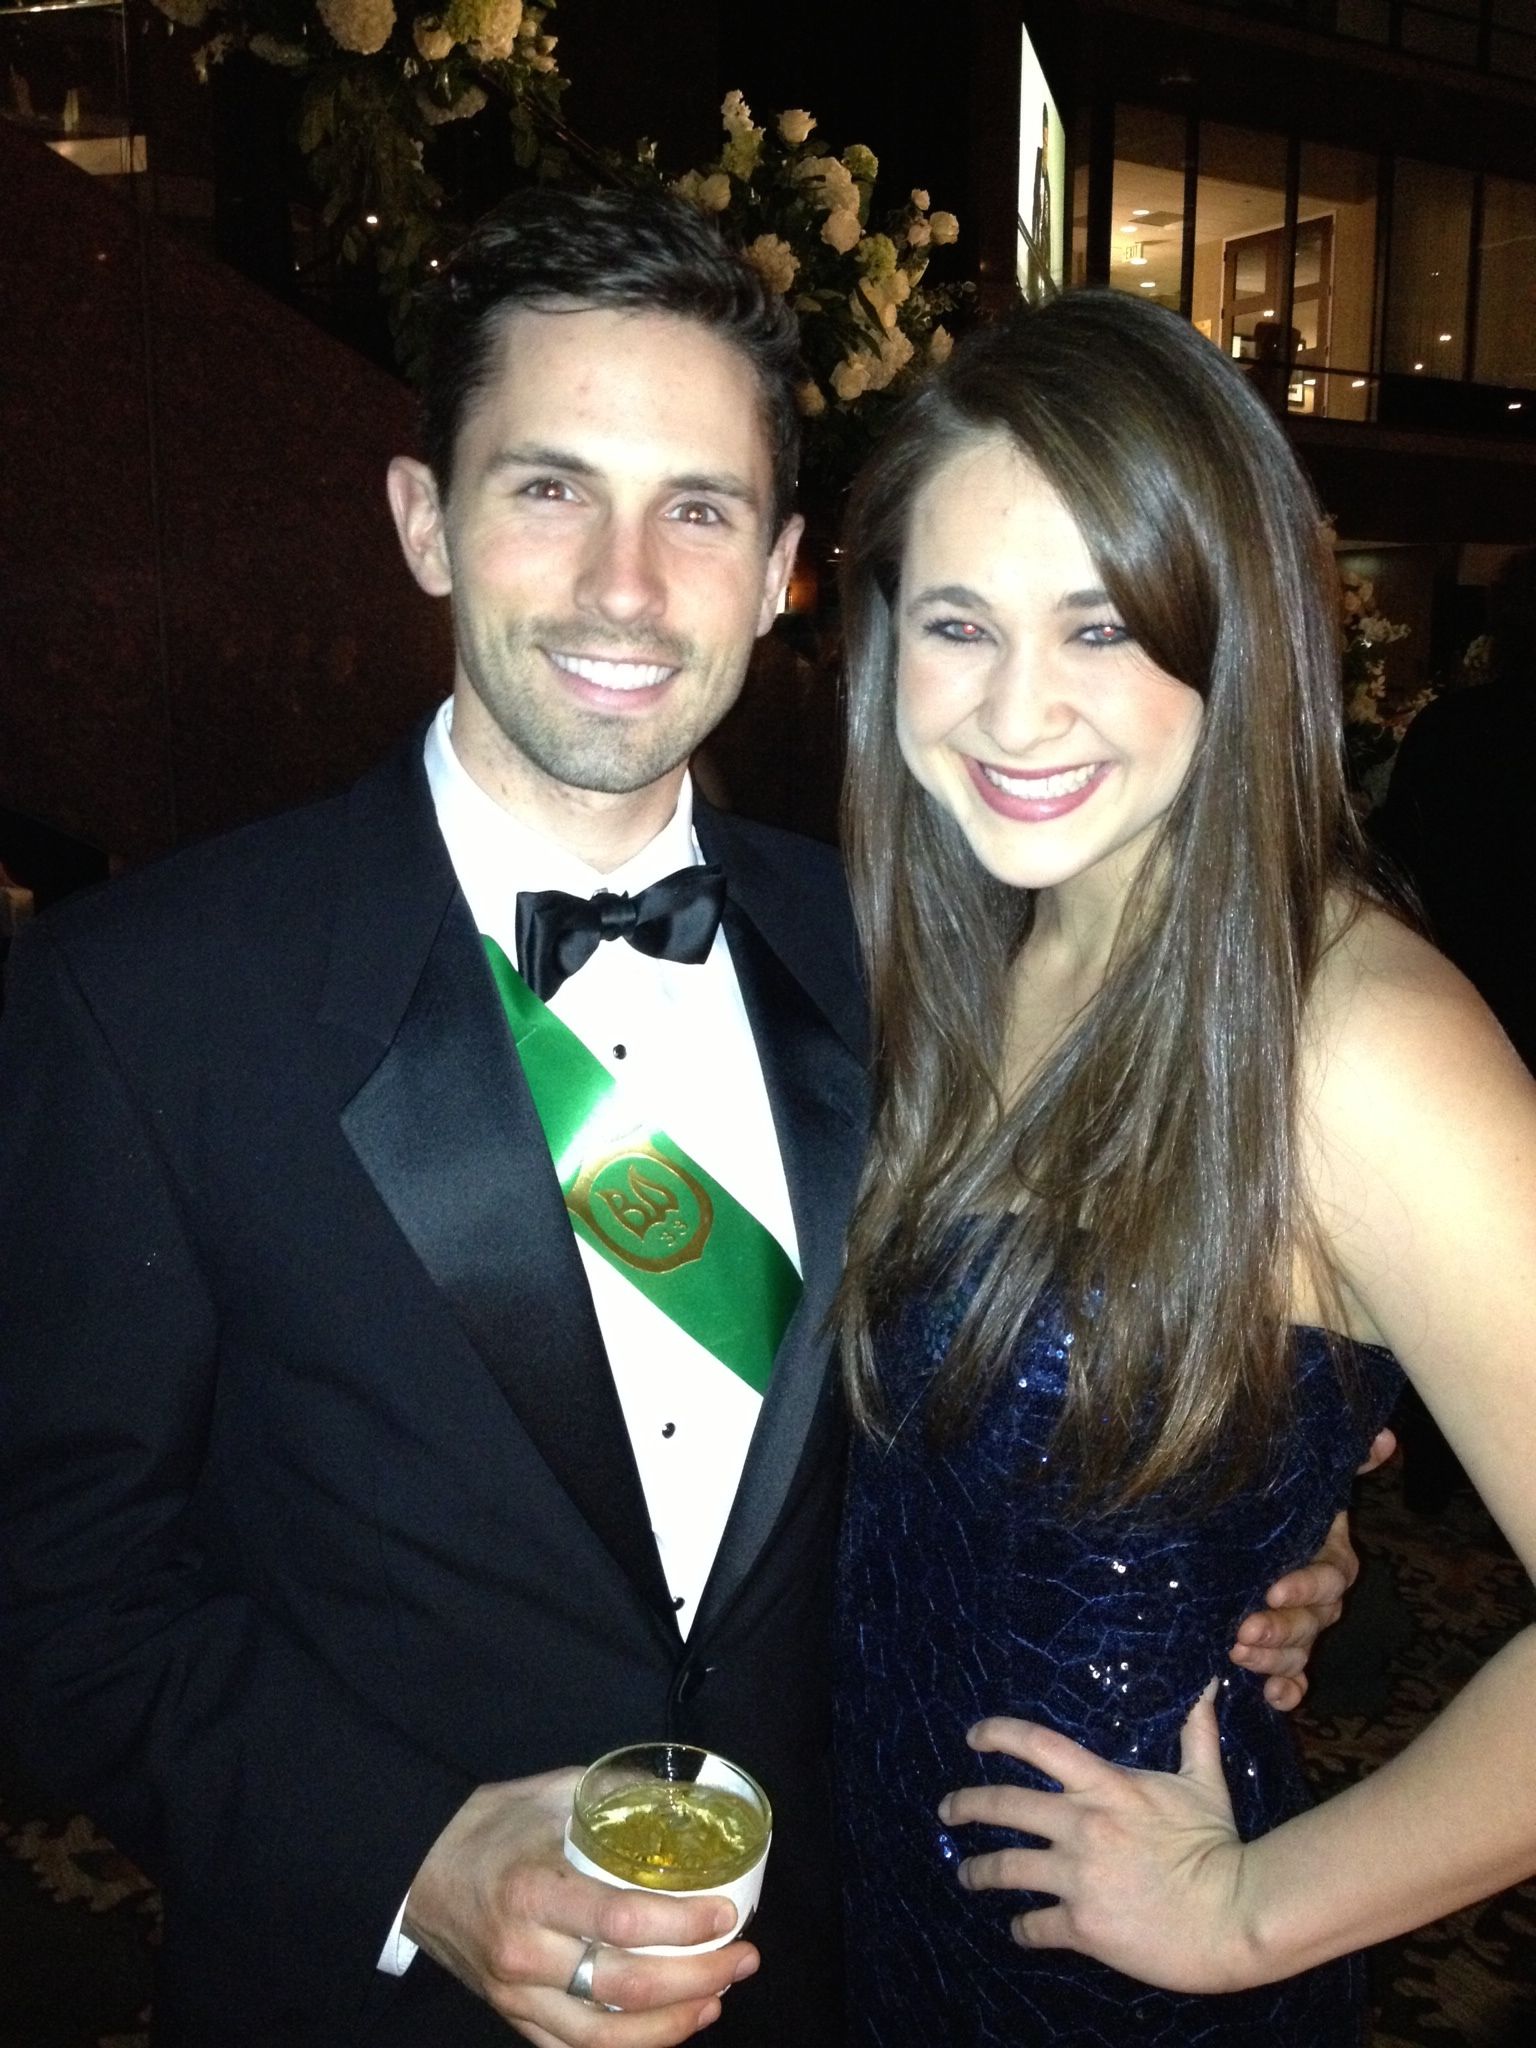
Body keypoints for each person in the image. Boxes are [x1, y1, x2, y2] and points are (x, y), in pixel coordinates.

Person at [0, 194, 1358, 2048]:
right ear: (423, 520)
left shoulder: (925, 958)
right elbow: (56, 1594)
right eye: (551, 488)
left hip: (842, 1973)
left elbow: (1034, 1375)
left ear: (785, 562)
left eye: (699, 511)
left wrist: (1254, 1528)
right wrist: (409, 1855)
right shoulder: (148, 1002)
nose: (626, 587)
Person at [829, 293, 1536, 2046]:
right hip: (882, 1915)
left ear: (1241, 630)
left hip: (1121, 1984)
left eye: (1101, 626)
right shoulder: (974, 944)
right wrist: (1264, 1499)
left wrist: (1241, 1914)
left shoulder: (1356, 1041)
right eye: (960, 623)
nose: (1017, 710)